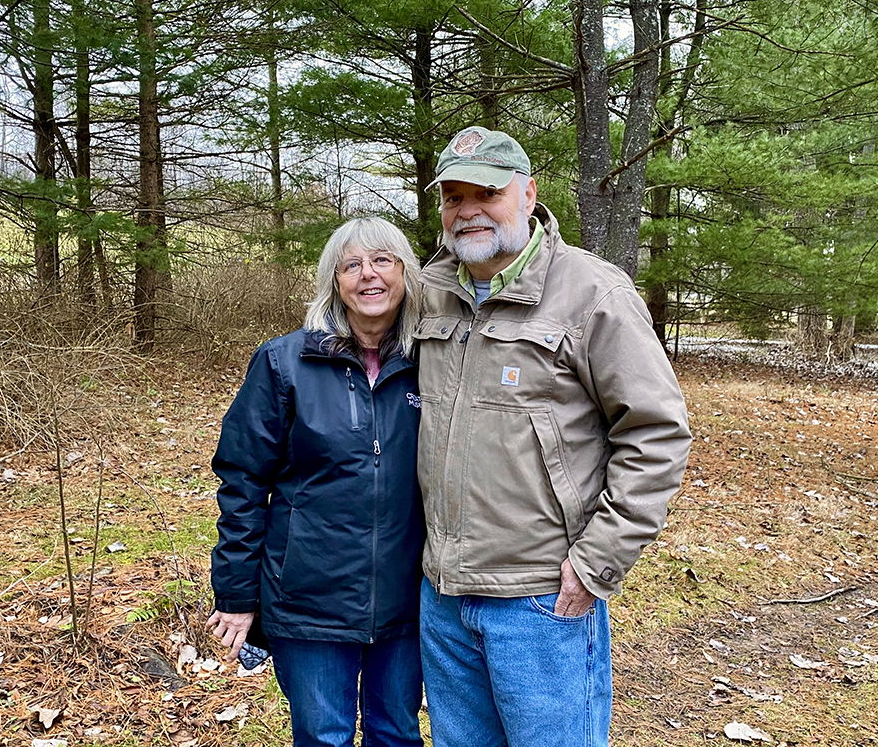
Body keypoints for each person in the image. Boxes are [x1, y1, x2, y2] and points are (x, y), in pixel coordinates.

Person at [414, 126, 692, 747]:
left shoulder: (593, 292)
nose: (469, 211)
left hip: (542, 597)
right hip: (442, 593)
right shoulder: (428, 292)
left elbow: (657, 434)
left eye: (486, 193)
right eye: (454, 197)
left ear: (528, 192)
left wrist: (596, 563)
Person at [206, 217, 425, 747]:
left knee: (395, 733)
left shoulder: (433, 361)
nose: (368, 276)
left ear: (405, 275)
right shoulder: (284, 363)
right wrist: (236, 593)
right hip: (308, 598)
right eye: (352, 265)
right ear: (334, 281)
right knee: (321, 735)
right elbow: (242, 482)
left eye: (382, 261)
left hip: (409, 596)